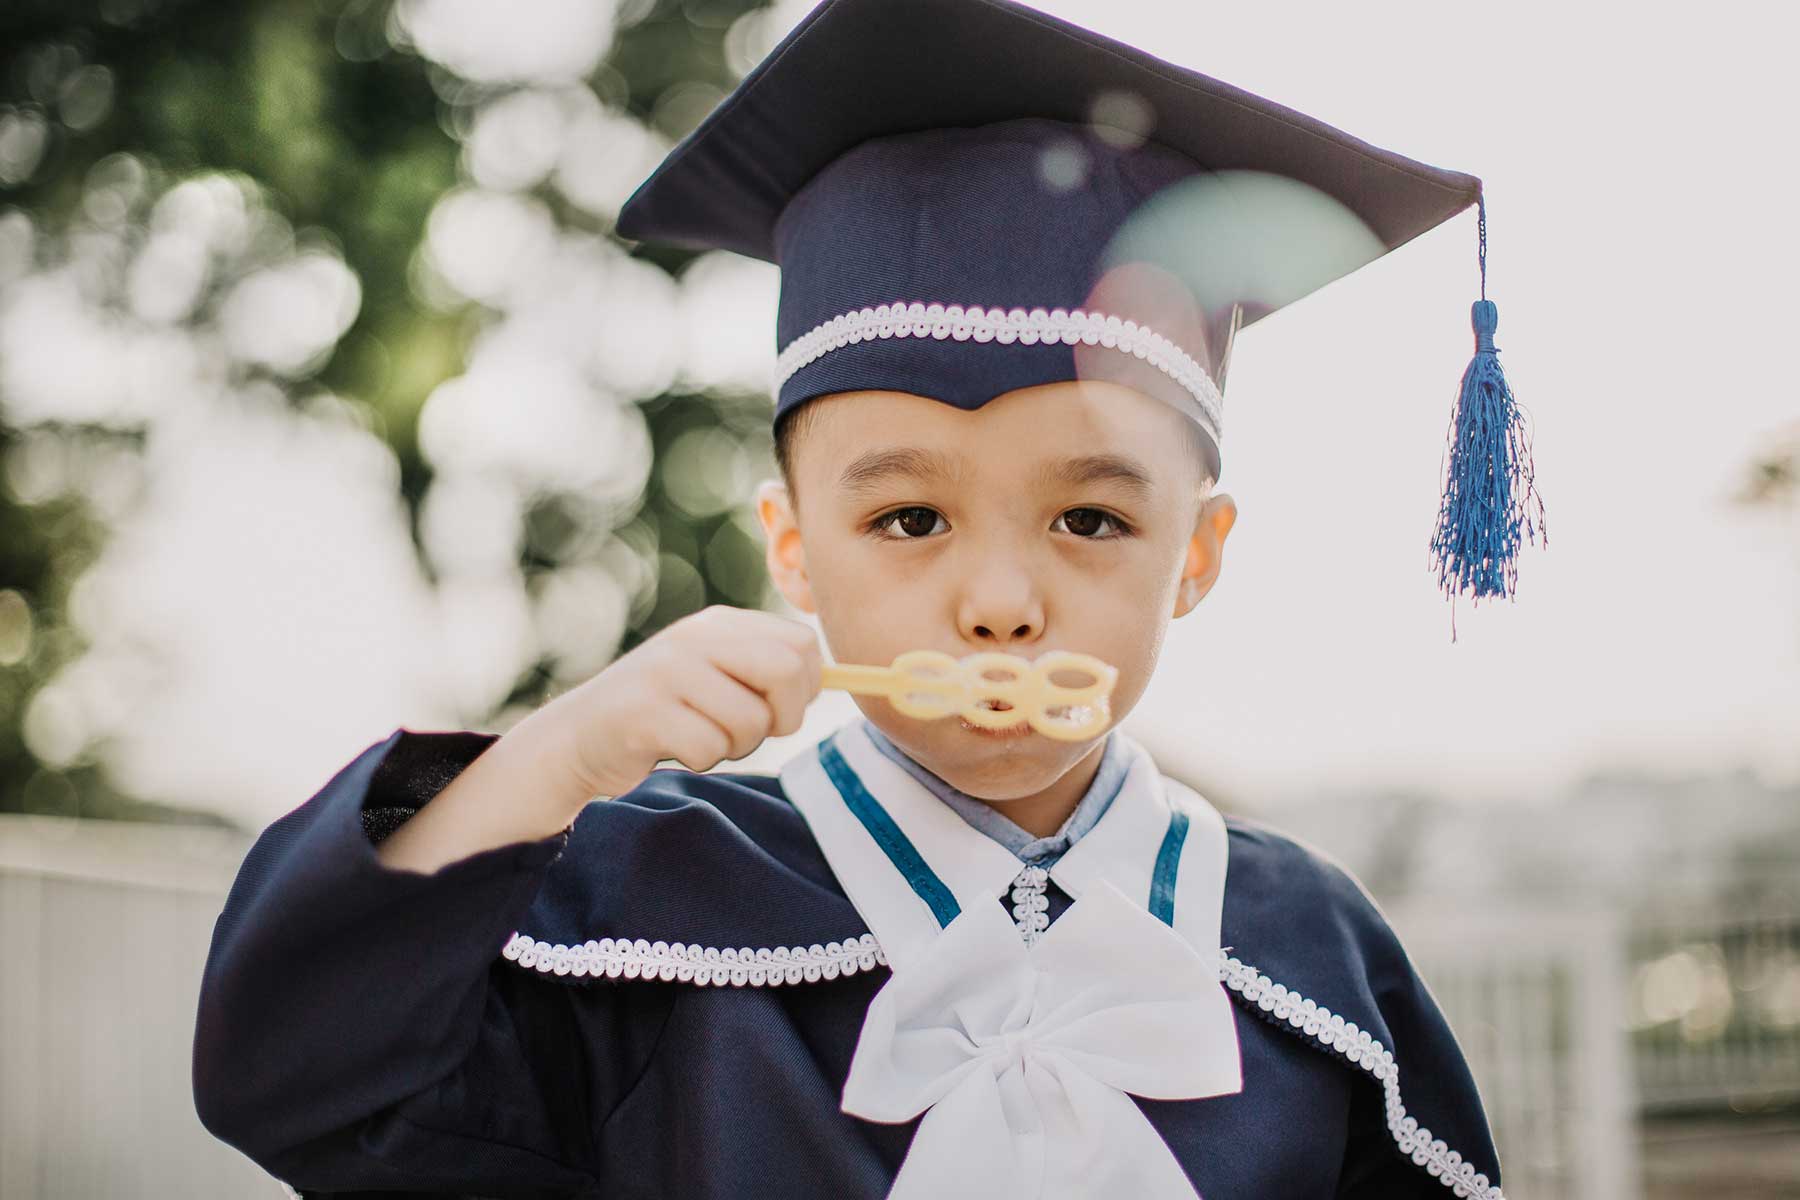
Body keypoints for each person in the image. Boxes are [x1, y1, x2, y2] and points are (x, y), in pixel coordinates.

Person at [193, 0, 1525, 1196]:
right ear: (793, 548)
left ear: (1198, 553)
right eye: (907, 518)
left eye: (1090, 518)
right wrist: (563, 751)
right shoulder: (641, 901)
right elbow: (294, 1076)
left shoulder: (1315, 963)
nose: (1001, 603)